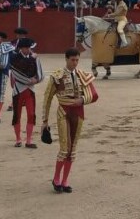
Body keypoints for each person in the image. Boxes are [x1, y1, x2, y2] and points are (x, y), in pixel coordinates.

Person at [42, 48, 99, 193]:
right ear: (66, 59)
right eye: (72, 60)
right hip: (64, 112)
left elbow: (94, 95)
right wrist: (45, 121)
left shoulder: (82, 75)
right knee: (64, 149)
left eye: (77, 60)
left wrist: (82, 100)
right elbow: (47, 99)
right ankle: (56, 179)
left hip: (79, 113)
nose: (75, 63)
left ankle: (65, 181)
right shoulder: (57, 76)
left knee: (72, 149)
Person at [9, 37, 43, 148]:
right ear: (20, 48)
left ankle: (28, 141)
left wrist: (37, 80)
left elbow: (40, 74)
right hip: (18, 90)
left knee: (31, 115)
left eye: (28, 48)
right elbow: (17, 72)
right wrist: (29, 81)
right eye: (25, 48)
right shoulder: (15, 58)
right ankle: (18, 139)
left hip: (30, 91)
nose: (27, 50)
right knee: (17, 115)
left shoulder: (34, 57)